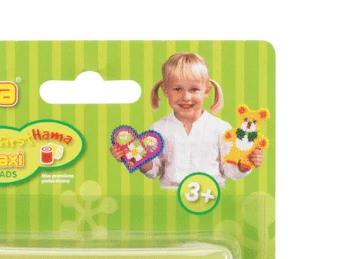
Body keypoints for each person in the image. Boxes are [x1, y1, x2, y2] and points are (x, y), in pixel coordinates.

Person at [110, 52, 264, 189]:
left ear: (206, 91)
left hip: (211, 197)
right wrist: (134, 156)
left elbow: (229, 170)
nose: (186, 97)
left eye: (194, 89)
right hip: (171, 198)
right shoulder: (158, 129)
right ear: (165, 90)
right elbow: (154, 170)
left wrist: (244, 165)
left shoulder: (220, 128)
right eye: (178, 89)